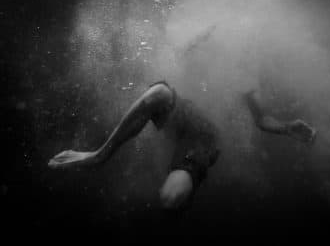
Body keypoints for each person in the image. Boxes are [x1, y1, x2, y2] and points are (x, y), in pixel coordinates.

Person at [49, 81, 220, 211]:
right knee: (171, 199)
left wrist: (99, 156)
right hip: (195, 140)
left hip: (203, 137)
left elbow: (154, 97)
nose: (147, 118)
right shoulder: (167, 112)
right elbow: (136, 123)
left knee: (169, 197)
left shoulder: (163, 94)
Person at [243, 89, 316, 143]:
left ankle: (248, 97)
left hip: (268, 123)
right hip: (268, 123)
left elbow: (262, 120)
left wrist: (285, 128)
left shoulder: (290, 130)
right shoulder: (289, 129)